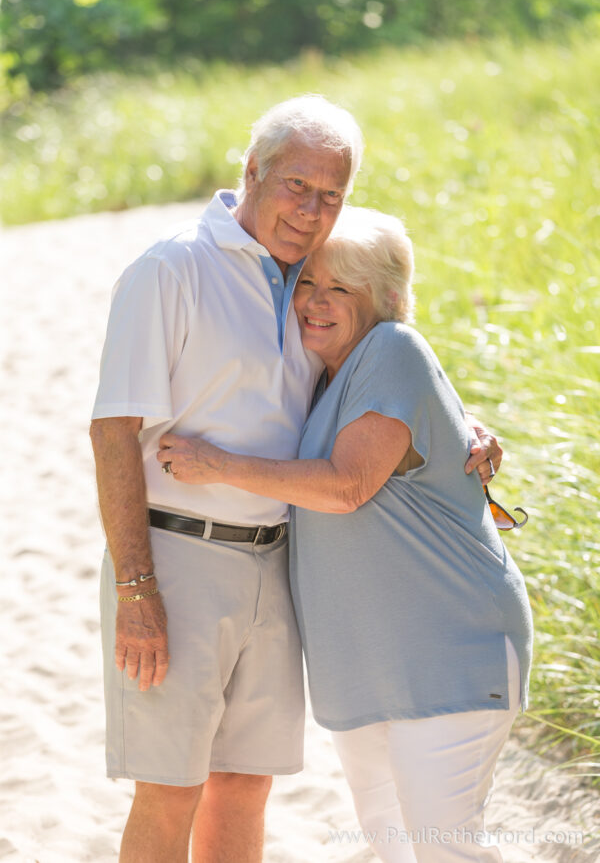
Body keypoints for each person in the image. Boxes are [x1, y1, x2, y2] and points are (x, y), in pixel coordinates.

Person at [90, 95, 502, 863]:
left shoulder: (308, 281)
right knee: (170, 786)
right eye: (296, 187)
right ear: (252, 172)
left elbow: (375, 369)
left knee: (245, 784)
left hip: (278, 562)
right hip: (176, 559)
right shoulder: (171, 268)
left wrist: (459, 421)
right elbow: (112, 430)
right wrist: (136, 588)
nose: (311, 211)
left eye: (331, 196)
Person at [158, 205, 533, 863]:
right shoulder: (319, 376)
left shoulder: (390, 348)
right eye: (308, 283)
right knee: (400, 853)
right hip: (367, 673)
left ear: (387, 300)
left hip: (451, 654)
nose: (316, 303)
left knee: (448, 852)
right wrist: (460, 419)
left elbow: (345, 485)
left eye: (342, 289)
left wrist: (215, 466)